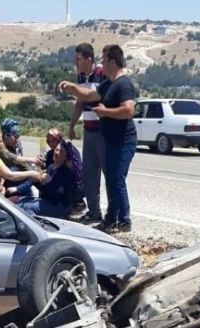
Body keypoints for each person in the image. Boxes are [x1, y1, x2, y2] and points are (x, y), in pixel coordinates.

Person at [59, 44, 137, 234]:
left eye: (104, 59)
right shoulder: (108, 84)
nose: (101, 62)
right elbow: (88, 96)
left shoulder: (123, 84)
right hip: (109, 138)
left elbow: (129, 110)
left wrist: (105, 112)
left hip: (122, 140)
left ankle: (123, 220)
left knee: (116, 179)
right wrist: (73, 88)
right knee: (109, 179)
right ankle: (109, 218)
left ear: (112, 62)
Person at [68, 42, 105, 223]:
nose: (76, 62)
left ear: (88, 59)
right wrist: (72, 125)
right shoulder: (81, 76)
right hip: (89, 129)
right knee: (90, 173)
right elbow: (80, 102)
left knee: (109, 173)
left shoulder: (102, 73)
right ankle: (94, 211)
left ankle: (116, 215)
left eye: (79, 59)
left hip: (104, 130)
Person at [17, 140, 79, 218]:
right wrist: (35, 181)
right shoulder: (51, 167)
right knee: (19, 201)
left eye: (61, 151)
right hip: (46, 201)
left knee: (23, 207)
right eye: (56, 150)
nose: (57, 153)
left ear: (66, 157)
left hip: (58, 207)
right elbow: (43, 187)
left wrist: (46, 182)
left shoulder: (66, 173)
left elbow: (55, 194)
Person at [0, 117, 41, 199]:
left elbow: (22, 164)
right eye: (15, 136)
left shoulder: (15, 145)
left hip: (15, 183)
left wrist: (33, 172)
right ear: (6, 135)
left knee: (34, 174)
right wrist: (32, 160)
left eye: (18, 137)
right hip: (7, 183)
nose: (17, 140)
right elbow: (12, 157)